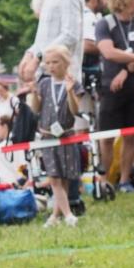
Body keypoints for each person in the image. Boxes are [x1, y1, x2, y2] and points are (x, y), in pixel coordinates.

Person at [18, 0, 86, 212]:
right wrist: (30, 54)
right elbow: (43, 37)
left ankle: (73, 200)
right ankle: (63, 202)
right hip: (48, 74)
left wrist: (39, 57)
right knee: (48, 137)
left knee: (64, 139)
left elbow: (69, 35)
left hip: (64, 76)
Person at [95, 0, 134, 193]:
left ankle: (125, 181)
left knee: (131, 135)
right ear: (125, 0)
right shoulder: (104, 24)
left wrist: (126, 69)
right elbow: (108, 52)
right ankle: (105, 180)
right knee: (106, 137)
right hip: (111, 88)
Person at [31, 45, 84, 227]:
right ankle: (68, 215)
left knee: (64, 177)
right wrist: (33, 94)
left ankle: (55, 216)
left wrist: (70, 91)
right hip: (47, 136)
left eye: (55, 62)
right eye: (48, 63)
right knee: (53, 177)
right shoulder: (44, 83)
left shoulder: (73, 83)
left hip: (66, 135)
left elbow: (75, 110)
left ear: (65, 63)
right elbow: (36, 109)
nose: (51, 66)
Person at [82, 0, 111, 86]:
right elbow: (87, 45)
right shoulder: (88, 17)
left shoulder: (96, 16)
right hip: (88, 74)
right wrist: (110, 49)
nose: (107, 2)